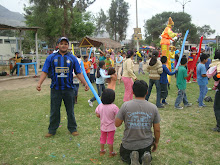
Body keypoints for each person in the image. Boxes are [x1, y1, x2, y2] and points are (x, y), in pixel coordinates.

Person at [36, 37, 89, 137]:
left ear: (68, 46)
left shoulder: (72, 58)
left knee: (70, 110)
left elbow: (78, 73)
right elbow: (45, 71)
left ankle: (73, 128)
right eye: (61, 43)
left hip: (69, 89)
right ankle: (52, 130)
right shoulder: (51, 57)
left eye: (65, 44)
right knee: (54, 110)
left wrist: (85, 83)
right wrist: (39, 83)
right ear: (58, 45)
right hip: (55, 89)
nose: (63, 45)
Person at [115, 80, 161, 165]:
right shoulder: (153, 107)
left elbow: (117, 124)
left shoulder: (125, 105)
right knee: (145, 151)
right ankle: (144, 156)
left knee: (124, 155)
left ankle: (132, 157)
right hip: (146, 144)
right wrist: (156, 143)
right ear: (147, 92)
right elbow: (157, 129)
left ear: (132, 92)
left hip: (128, 145)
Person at [95, 89, 119, 157]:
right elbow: (118, 115)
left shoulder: (100, 106)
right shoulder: (114, 107)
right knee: (110, 140)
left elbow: (97, 114)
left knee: (102, 138)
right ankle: (111, 153)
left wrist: (101, 116)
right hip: (111, 127)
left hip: (103, 126)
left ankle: (102, 151)